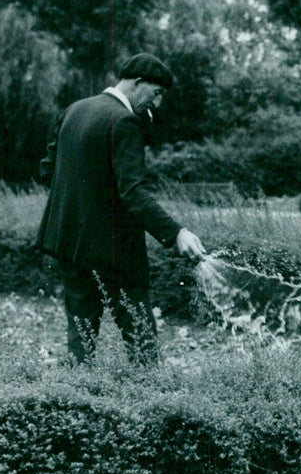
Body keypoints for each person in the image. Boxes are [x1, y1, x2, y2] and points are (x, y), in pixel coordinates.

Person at [36, 53, 207, 364]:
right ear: (138, 83)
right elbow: (133, 193)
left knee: (82, 332)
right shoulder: (124, 121)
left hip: (68, 241)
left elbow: (48, 171)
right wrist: (176, 233)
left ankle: (76, 394)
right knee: (139, 331)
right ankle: (151, 399)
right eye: (156, 94)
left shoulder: (74, 110)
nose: (157, 104)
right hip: (113, 250)